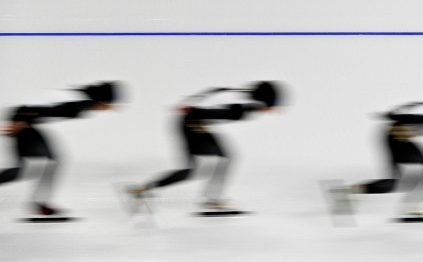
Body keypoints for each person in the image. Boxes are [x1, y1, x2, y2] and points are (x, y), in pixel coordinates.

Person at [127, 81, 281, 212]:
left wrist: (188, 104)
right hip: (193, 122)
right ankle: (211, 199)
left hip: (194, 120)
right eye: (272, 106)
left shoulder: (237, 93)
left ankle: (145, 189)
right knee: (197, 169)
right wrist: (193, 109)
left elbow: (213, 92)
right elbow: (217, 112)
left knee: (217, 161)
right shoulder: (242, 108)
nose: (273, 110)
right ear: (265, 101)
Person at [330, 96, 423, 220]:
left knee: (398, 183)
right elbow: (420, 117)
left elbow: (414, 106)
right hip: (397, 133)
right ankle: (413, 207)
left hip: (392, 132)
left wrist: (392, 114)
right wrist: (393, 116)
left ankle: (347, 192)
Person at [0, 82, 120, 216]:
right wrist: (19, 120)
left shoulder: (80, 102)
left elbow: (43, 108)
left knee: (50, 162)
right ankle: (40, 204)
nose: (110, 108)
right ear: (102, 100)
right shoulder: (77, 103)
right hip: (22, 117)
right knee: (28, 169)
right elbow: (40, 109)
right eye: (109, 104)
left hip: (25, 120)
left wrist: (22, 119)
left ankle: (40, 204)